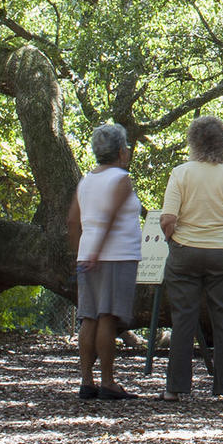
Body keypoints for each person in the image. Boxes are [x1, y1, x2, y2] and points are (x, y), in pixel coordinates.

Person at [159, 114, 223, 404]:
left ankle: (174, 388)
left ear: (193, 141)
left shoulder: (181, 173)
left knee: (183, 319)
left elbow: (167, 218)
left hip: (186, 251)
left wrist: (173, 240)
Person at [67, 121, 141, 401]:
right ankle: (108, 381)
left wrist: (81, 252)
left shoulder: (86, 180)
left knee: (89, 317)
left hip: (88, 257)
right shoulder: (121, 179)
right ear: (121, 151)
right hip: (115, 255)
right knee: (107, 317)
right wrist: (98, 250)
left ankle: (87, 381)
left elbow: (73, 220)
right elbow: (111, 215)